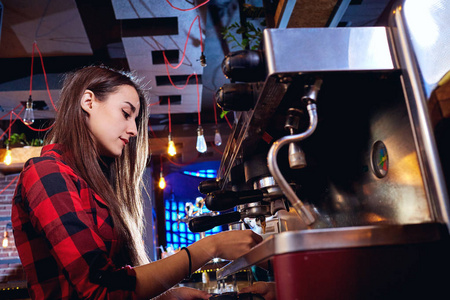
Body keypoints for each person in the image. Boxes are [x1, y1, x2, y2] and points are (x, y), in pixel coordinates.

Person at [11, 65, 262, 300]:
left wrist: (166, 296)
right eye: (126, 113)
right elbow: (100, 288)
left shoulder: (94, 183)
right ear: (88, 102)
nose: (133, 130)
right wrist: (210, 247)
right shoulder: (46, 173)